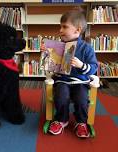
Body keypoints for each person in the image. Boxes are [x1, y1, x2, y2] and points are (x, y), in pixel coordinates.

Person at [41, 10, 98, 138]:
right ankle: (61, 120)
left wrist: (81, 65)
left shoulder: (86, 48)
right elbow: (50, 66)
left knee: (82, 99)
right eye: (60, 26)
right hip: (62, 80)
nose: (60, 30)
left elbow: (94, 67)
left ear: (77, 30)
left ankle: (81, 122)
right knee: (61, 96)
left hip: (80, 82)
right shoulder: (58, 46)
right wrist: (46, 54)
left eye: (64, 27)